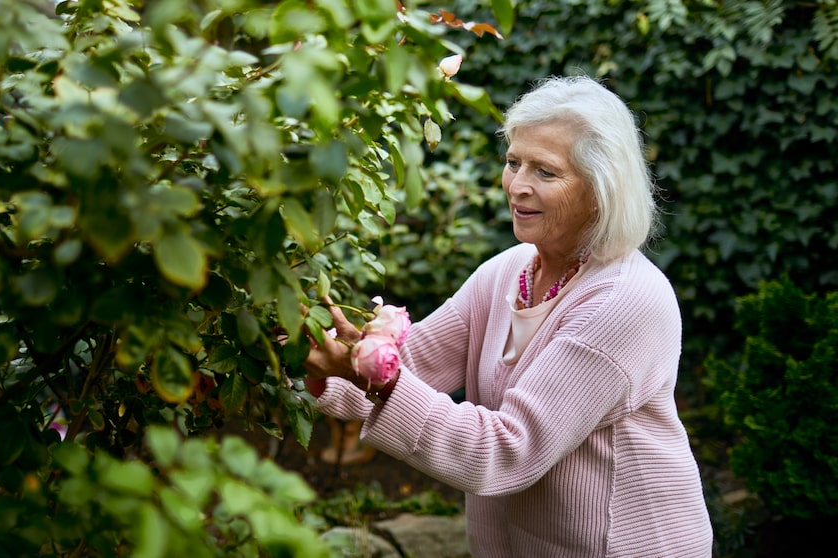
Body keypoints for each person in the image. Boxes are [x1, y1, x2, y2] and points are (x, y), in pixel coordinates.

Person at [302, 75, 714, 557]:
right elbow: (411, 366)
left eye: (545, 171)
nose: (517, 186)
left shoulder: (624, 302)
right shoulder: (507, 273)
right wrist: (294, 361)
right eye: (514, 162)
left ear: (601, 189)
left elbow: (503, 452)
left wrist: (380, 380)